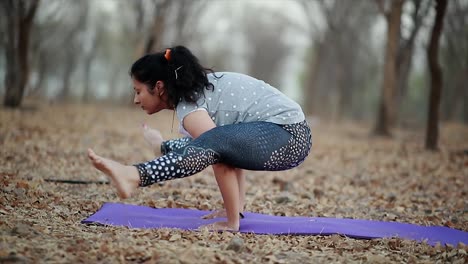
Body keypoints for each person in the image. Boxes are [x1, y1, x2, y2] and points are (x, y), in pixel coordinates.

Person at [88, 46, 312, 231]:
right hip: (289, 134)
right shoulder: (197, 92)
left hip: (288, 136)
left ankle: (135, 174)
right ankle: (159, 148)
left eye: (138, 91)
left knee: (211, 145)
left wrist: (232, 222)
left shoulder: (190, 108)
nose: (136, 100)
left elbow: (222, 158)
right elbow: (233, 151)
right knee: (211, 142)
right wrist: (236, 209)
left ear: (158, 87)